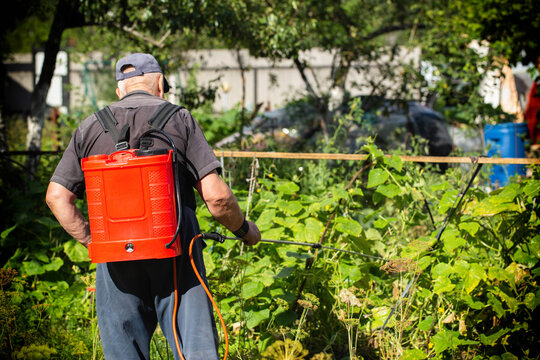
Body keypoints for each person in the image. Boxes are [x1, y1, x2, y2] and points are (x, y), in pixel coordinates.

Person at [45, 53, 261, 359]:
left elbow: (56, 197)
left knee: (124, 351)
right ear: (160, 82)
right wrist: (244, 230)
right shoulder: (179, 118)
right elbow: (217, 197)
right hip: (174, 246)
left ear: (120, 89)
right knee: (194, 348)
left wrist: (94, 241)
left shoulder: (90, 127)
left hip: (115, 248)